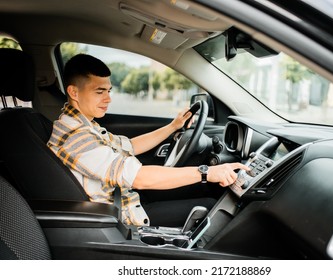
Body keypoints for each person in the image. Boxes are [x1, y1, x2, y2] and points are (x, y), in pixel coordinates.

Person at [48, 54, 249, 227]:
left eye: (109, 91)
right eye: (99, 92)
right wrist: (207, 172)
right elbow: (139, 178)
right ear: (74, 92)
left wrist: (173, 127)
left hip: (123, 196)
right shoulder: (76, 137)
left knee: (201, 190)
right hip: (120, 216)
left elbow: (131, 146)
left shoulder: (85, 125)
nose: (108, 99)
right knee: (211, 206)